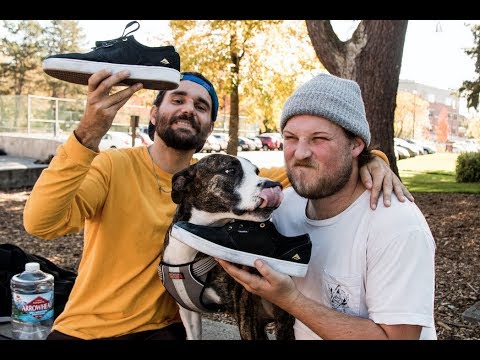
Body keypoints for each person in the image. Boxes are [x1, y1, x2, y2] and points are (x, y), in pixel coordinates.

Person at [23, 69, 412, 340]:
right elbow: (41, 223)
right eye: (178, 98)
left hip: (165, 328)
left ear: (208, 127)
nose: (189, 108)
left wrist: (371, 157)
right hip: (88, 327)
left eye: (202, 105)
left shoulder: (223, 183)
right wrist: (89, 132)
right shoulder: (113, 166)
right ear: (155, 112)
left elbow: (305, 163)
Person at [218, 73, 436, 340]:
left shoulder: (396, 226)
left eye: (318, 139)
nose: (300, 153)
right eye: (290, 137)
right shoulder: (285, 210)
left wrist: (290, 299)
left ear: (356, 144)